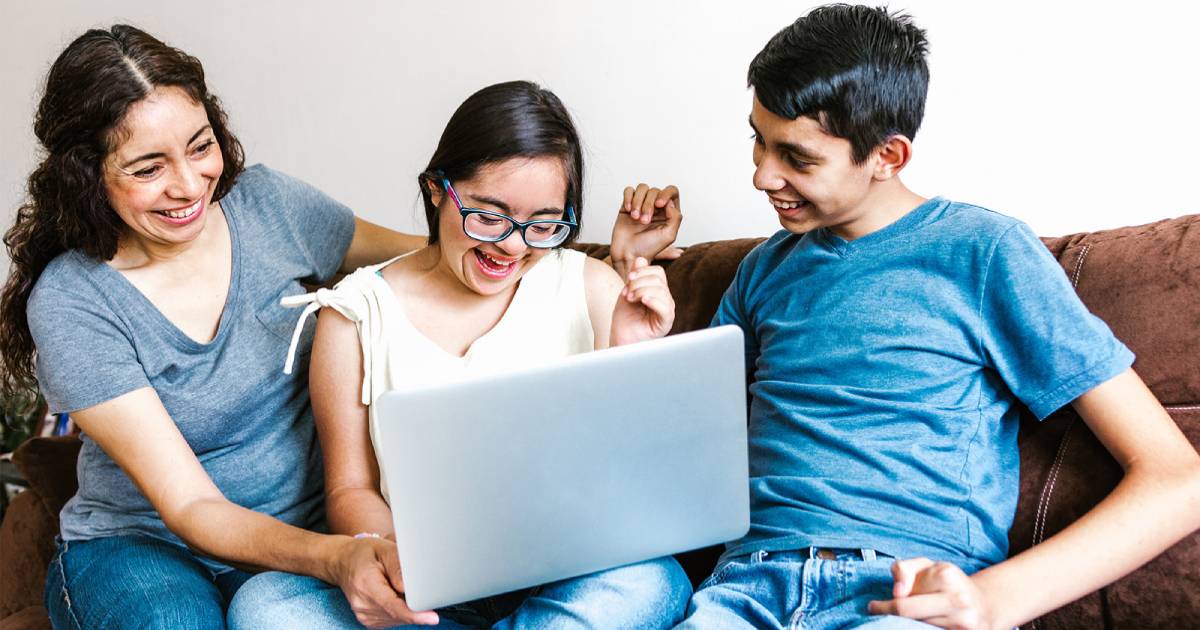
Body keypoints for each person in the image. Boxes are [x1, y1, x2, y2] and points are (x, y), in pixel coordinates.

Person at [0, 27, 676, 630]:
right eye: (148, 168)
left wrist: (613, 266)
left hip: (306, 546)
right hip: (154, 547)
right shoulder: (73, 302)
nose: (189, 184)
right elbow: (190, 508)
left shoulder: (268, 206)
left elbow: (440, 254)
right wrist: (343, 555)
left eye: (200, 146)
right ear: (87, 177)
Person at [676, 5, 1200, 630]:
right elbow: (681, 445)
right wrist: (631, 305)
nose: (762, 174)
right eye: (758, 139)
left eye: (799, 157)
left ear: (889, 156)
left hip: (901, 591)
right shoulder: (765, 269)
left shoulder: (984, 252)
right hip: (743, 589)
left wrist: (995, 599)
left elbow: (1177, 478)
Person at [225, 80, 692, 629]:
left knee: (650, 582)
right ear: (436, 190)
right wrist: (413, 561)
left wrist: (633, 351)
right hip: (424, 585)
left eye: (543, 223)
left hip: (565, 573)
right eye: (489, 216)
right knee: (267, 610)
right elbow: (349, 490)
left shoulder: (590, 286)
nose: (512, 246)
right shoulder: (354, 313)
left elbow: (641, 480)